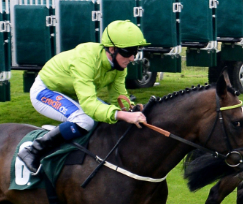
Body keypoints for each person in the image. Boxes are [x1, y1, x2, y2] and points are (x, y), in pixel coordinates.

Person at [18, 20, 149, 174]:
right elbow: (89, 105)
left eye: (136, 52)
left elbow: (118, 99)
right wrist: (122, 115)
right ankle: (34, 150)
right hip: (45, 91)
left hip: (72, 93)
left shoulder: (119, 66)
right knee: (85, 120)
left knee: (107, 116)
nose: (133, 58)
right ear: (112, 49)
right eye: (128, 52)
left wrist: (130, 111)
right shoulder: (85, 60)